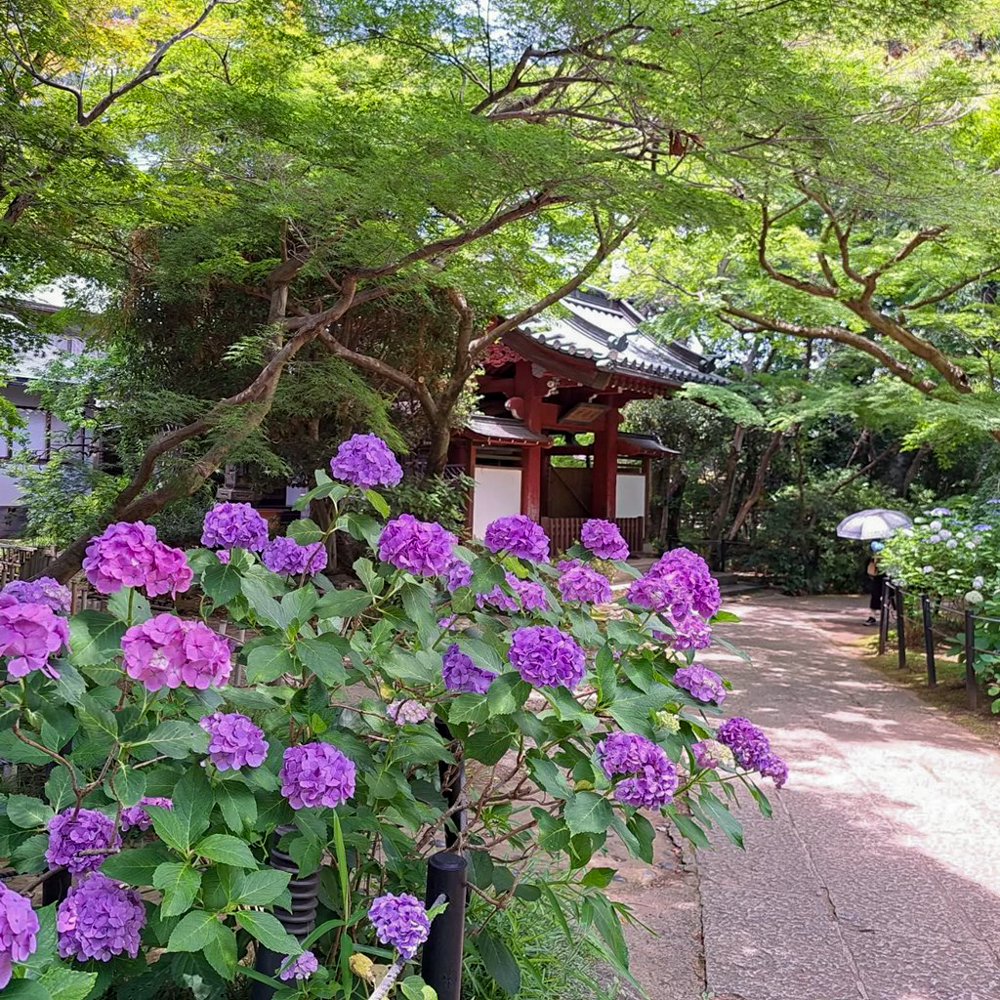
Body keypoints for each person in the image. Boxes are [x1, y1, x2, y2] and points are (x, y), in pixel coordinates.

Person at [864, 542, 885, 626]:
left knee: (892, 596)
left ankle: (897, 616)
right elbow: (870, 572)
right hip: (877, 579)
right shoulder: (872, 559)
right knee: (875, 596)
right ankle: (872, 616)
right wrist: (875, 562)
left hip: (889, 577)